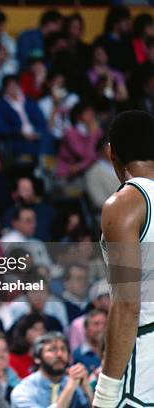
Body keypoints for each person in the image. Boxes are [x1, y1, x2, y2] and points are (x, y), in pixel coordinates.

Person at [94, 111, 154, 407]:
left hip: (143, 365)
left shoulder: (126, 202)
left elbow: (128, 304)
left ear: (111, 152)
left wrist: (105, 393)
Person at [11, 332, 91, 407]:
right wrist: (69, 388)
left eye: (63, 349)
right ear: (37, 358)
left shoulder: (74, 384)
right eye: (52, 350)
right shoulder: (23, 390)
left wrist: (87, 388)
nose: (60, 354)